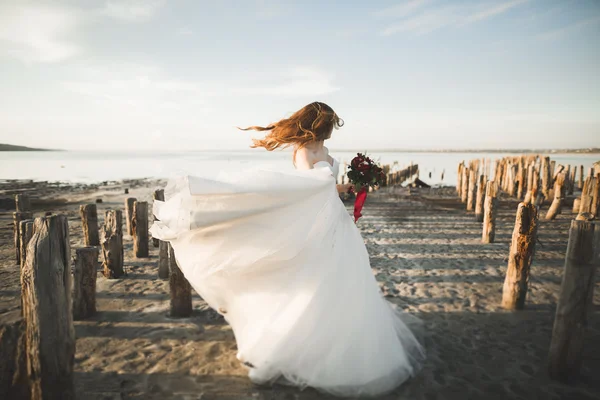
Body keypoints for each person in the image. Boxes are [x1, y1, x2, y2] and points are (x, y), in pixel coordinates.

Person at [150, 101, 425, 398]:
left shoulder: (326, 152)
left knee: (342, 283)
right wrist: (332, 188)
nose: (333, 128)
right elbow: (307, 189)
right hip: (317, 222)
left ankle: (336, 342)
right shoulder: (303, 151)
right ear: (320, 123)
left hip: (337, 222)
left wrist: (351, 187)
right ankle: (295, 347)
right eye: (331, 123)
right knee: (312, 282)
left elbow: (328, 186)